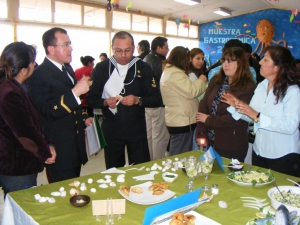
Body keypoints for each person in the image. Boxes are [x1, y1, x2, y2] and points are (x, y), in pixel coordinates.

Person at [86, 31, 161, 169]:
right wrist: (105, 102)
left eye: (127, 50)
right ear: (112, 48)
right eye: (118, 51)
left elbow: (156, 99)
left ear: (134, 47)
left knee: (141, 170)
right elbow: (90, 99)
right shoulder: (102, 68)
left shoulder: (143, 67)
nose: (123, 55)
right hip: (111, 128)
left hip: (137, 128)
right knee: (114, 172)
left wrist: (138, 100)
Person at [222, 46, 300, 176]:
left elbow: (290, 126)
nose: (260, 62)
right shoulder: (262, 85)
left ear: (277, 67)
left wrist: (257, 116)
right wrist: (237, 106)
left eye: (265, 60)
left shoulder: (293, 91)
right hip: (259, 151)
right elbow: (252, 116)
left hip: (282, 155)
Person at [27, 27, 93, 183]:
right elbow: (46, 110)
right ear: (51, 49)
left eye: (70, 44)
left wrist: (84, 116)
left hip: (74, 142)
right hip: (58, 145)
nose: (71, 48)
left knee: (73, 184)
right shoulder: (39, 75)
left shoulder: (67, 68)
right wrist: (75, 92)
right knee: (62, 189)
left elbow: (71, 103)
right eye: (66, 45)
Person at [0, 42, 56, 196]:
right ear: (24, 69)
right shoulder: (11, 93)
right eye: (33, 62)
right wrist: (46, 153)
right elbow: (25, 133)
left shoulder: (11, 86)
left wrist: (47, 142)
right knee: (21, 208)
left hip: (10, 160)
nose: (34, 65)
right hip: (17, 166)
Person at [196, 47, 256, 162]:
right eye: (224, 60)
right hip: (211, 140)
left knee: (227, 179)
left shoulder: (248, 87)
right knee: (210, 176)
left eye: (230, 61)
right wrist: (201, 132)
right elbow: (203, 106)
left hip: (231, 144)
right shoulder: (216, 80)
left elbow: (234, 119)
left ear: (241, 64)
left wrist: (208, 120)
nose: (225, 65)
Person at [160, 46, 207, 156]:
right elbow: (191, 91)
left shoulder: (173, 72)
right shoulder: (175, 74)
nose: (188, 62)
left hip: (181, 119)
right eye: (187, 59)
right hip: (182, 120)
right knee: (179, 156)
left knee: (182, 154)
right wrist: (201, 80)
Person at [143, 37, 170, 160]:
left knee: (149, 136)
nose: (168, 49)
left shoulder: (145, 59)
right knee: (160, 137)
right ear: (159, 48)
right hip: (159, 103)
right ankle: (157, 162)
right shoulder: (160, 63)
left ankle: (148, 161)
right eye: (166, 47)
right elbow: (166, 82)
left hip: (146, 103)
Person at [188, 48, 207, 150]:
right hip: (194, 113)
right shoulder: (190, 75)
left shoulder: (199, 72)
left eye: (202, 59)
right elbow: (197, 93)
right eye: (198, 58)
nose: (201, 61)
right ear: (190, 59)